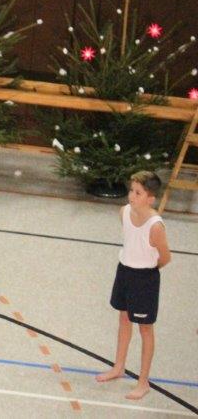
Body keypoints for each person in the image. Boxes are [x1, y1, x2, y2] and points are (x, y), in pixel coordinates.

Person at [95, 170, 171, 400]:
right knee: (124, 319)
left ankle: (143, 381)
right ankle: (118, 367)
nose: (131, 196)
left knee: (145, 329)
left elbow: (165, 257)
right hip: (124, 272)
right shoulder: (124, 212)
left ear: (151, 198)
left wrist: (147, 271)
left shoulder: (156, 226)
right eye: (131, 190)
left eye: (138, 193)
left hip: (145, 278)